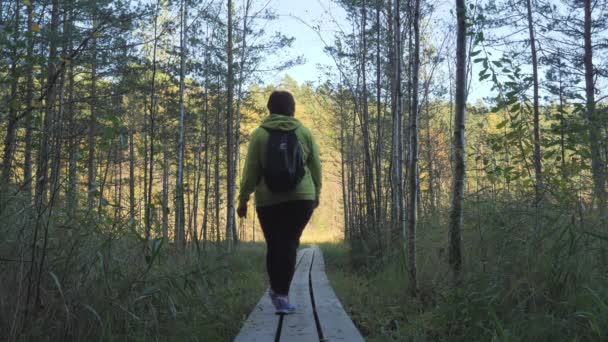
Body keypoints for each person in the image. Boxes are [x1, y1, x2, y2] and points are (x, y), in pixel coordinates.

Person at [237, 90, 322, 314]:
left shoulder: (259, 135)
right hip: (301, 198)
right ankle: (280, 293)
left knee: (275, 244)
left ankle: (278, 292)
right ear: (292, 109)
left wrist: (243, 199)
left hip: (268, 200)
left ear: (270, 109)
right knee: (289, 243)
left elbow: (250, 171)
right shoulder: (304, 132)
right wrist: (317, 194)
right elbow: (316, 167)